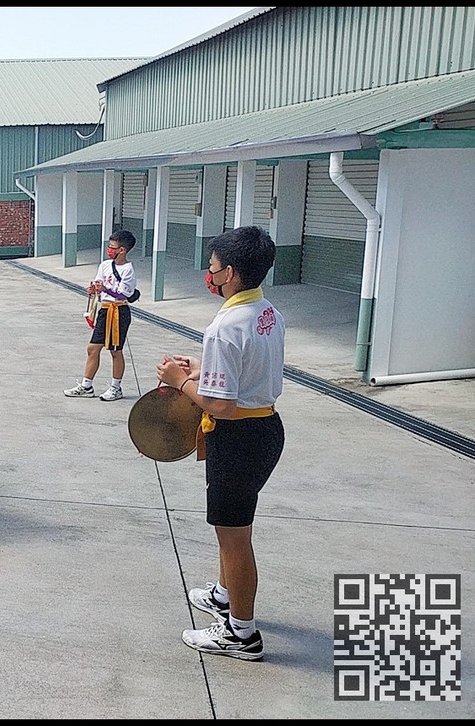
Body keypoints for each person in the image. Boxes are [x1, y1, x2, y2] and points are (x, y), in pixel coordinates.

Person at [156, 225, 284, 662]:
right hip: (266, 428)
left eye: (212, 267)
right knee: (232, 529)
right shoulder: (267, 312)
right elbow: (250, 367)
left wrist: (179, 380)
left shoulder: (226, 326)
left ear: (229, 273)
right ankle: (225, 595)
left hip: (238, 439)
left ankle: (241, 634)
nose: (208, 274)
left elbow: (220, 405)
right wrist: (202, 366)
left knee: (234, 538)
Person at [64, 229, 139, 402]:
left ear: (122, 250)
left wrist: (106, 289)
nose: (109, 249)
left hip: (118, 311)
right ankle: (86, 385)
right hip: (105, 310)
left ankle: (115, 388)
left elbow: (124, 294)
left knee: (115, 350)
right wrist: (94, 289)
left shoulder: (128, 269)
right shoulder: (105, 265)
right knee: (92, 348)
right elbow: (99, 282)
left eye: (113, 247)